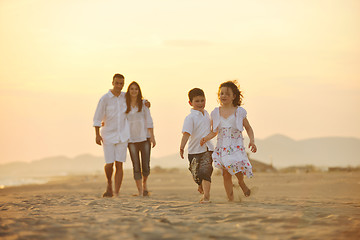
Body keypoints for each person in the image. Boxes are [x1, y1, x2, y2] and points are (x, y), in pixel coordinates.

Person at [200, 80, 257, 201]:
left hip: (236, 146)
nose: (223, 96)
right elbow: (214, 132)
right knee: (226, 174)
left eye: (227, 94)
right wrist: (206, 138)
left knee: (237, 167)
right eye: (221, 93)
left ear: (233, 96)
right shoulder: (215, 113)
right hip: (222, 147)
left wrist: (252, 141)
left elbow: (248, 128)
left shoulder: (239, 112)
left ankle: (241, 182)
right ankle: (230, 199)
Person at [93, 73, 129, 197]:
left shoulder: (126, 97)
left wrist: (146, 103)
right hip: (108, 135)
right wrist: (97, 134)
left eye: (121, 83)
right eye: (117, 83)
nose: (119, 86)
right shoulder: (105, 99)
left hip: (123, 135)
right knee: (109, 163)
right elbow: (97, 117)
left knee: (119, 164)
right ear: (112, 83)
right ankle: (109, 184)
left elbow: (138, 99)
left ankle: (116, 192)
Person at [180, 88, 214, 203]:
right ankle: (200, 185)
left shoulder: (207, 114)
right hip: (193, 151)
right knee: (197, 175)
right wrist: (181, 147)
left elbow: (213, 130)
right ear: (190, 103)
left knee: (206, 172)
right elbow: (186, 134)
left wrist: (208, 138)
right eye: (197, 101)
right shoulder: (190, 118)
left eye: (202, 100)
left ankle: (207, 196)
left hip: (207, 149)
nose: (200, 103)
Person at [125, 81, 156, 197]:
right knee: (136, 166)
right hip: (130, 140)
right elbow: (118, 117)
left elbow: (149, 120)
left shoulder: (143, 104)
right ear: (128, 91)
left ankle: (144, 185)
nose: (134, 91)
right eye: (131, 89)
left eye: (136, 89)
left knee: (146, 166)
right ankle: (140, 191)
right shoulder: (124, 105)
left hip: (144, 138)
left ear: (139, 91)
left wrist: (152, 136)